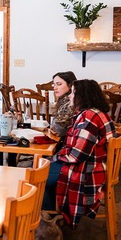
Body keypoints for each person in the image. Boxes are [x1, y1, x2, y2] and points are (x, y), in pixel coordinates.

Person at [53, 79, 115, 228]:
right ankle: (52, 215)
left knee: (37, 174)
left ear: (83, 96)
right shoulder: (96, 113)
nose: (69, 96)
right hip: (96, 166)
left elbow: (77, 155)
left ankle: (48, 218)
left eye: (73, 93)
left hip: (88, 171)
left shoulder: (89, 117)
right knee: (43, 168)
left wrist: (54, 157)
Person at [42, 71, 77, 209]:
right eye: (54, 84)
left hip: (72, 160)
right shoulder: (63, 102)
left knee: (37, 171)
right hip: (69, 153)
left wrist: (54, 126)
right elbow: (55, 126)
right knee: (41, 164)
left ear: (70, 86)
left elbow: (58, 128)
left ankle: (47, 211)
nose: (55, 88)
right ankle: (50, 209)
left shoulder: (68, 103)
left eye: (59, 84)